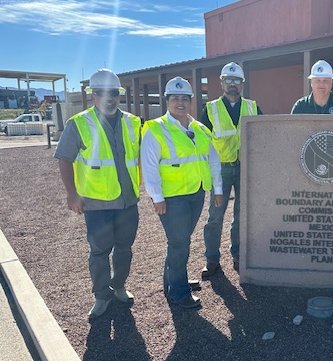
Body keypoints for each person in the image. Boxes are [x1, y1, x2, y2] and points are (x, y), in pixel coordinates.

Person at [55, 69, 140, 319]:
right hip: (97, 204)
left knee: (124, 248)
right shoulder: (79, 123)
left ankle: (119, 286)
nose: (109, 97)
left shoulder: (132, 122)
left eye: (114, 92)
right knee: (100, 252)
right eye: (102, 92)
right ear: (93, 95)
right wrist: (72, 194)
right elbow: (64, 159)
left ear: (119, 95)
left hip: (127, 201)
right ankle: (102, 296)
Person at [141, 77, 223, 308]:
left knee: (180, 241)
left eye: (185, 98)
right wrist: (156, 197)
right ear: (167, 101)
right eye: (175, 98)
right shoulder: (156, 128)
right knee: (179, 243)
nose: (180, 102)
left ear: (191, 101)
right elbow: (149, 166)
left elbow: (213, 161)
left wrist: (217, 190)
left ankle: (171, 280)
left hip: (196, 194)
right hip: (172, 197)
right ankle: (179, 293)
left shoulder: (199, 129)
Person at [200, 62, 261, 277]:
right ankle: (212, 260)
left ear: (242, 84)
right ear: (221, 82)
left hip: (246, 168)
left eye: (237, 80)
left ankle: (238, 255)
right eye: (228, 80)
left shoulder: (253, 107)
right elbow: (201, 143)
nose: (232, 84)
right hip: (221, 170)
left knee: (242, 215)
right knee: (215, 217)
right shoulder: (210, 109)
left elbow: (263, 137)